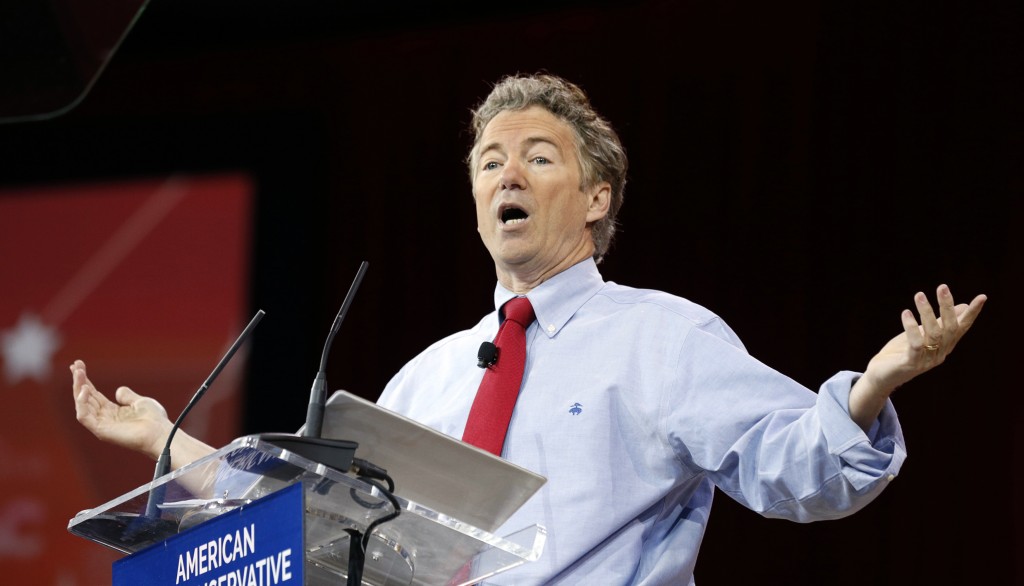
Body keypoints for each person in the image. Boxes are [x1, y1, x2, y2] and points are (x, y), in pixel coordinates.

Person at [72, 73, 987, 585]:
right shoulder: (423, 380)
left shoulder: (662, 339)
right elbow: (298, 520)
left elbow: (802, 471)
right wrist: (166, 441)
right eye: (489, 160)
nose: (507, 172)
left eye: (537, 157)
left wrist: (870, 388)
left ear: (596, 199)